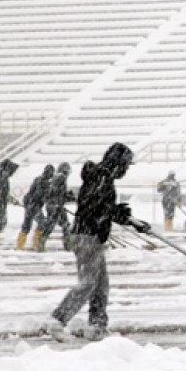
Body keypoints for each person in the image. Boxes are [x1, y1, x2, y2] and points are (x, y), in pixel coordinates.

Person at [46, 142, 150, 342]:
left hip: (90, 236)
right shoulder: (101, 177)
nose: (127, 169)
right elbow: (96, 208)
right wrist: (118, 213)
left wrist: (128, 218)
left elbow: (102, 207)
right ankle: (58, 320)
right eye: (126, 164)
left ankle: (97, 326)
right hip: (88, 237)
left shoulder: (102, 177)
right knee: (89, 283)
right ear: (117, 163)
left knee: (100, 286)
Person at [38, 162, 73, 252]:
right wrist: (59, 202)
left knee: (62, 224)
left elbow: (56, 192)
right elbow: (58, 192)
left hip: (53, 205)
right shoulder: (61, 177)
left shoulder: (56, 177)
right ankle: (67, 244)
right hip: (56, 206)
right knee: (56, 225)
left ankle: (67, 244)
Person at [18, 164, 53, 250]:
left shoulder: (38, 179)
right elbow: (41, 194)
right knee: (42, 223)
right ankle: (36, 243)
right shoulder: (45, 182)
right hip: (34, 205)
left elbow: (32, 191)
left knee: (26, 225)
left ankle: (20, 245)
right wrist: (48, 198)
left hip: (29, 204)